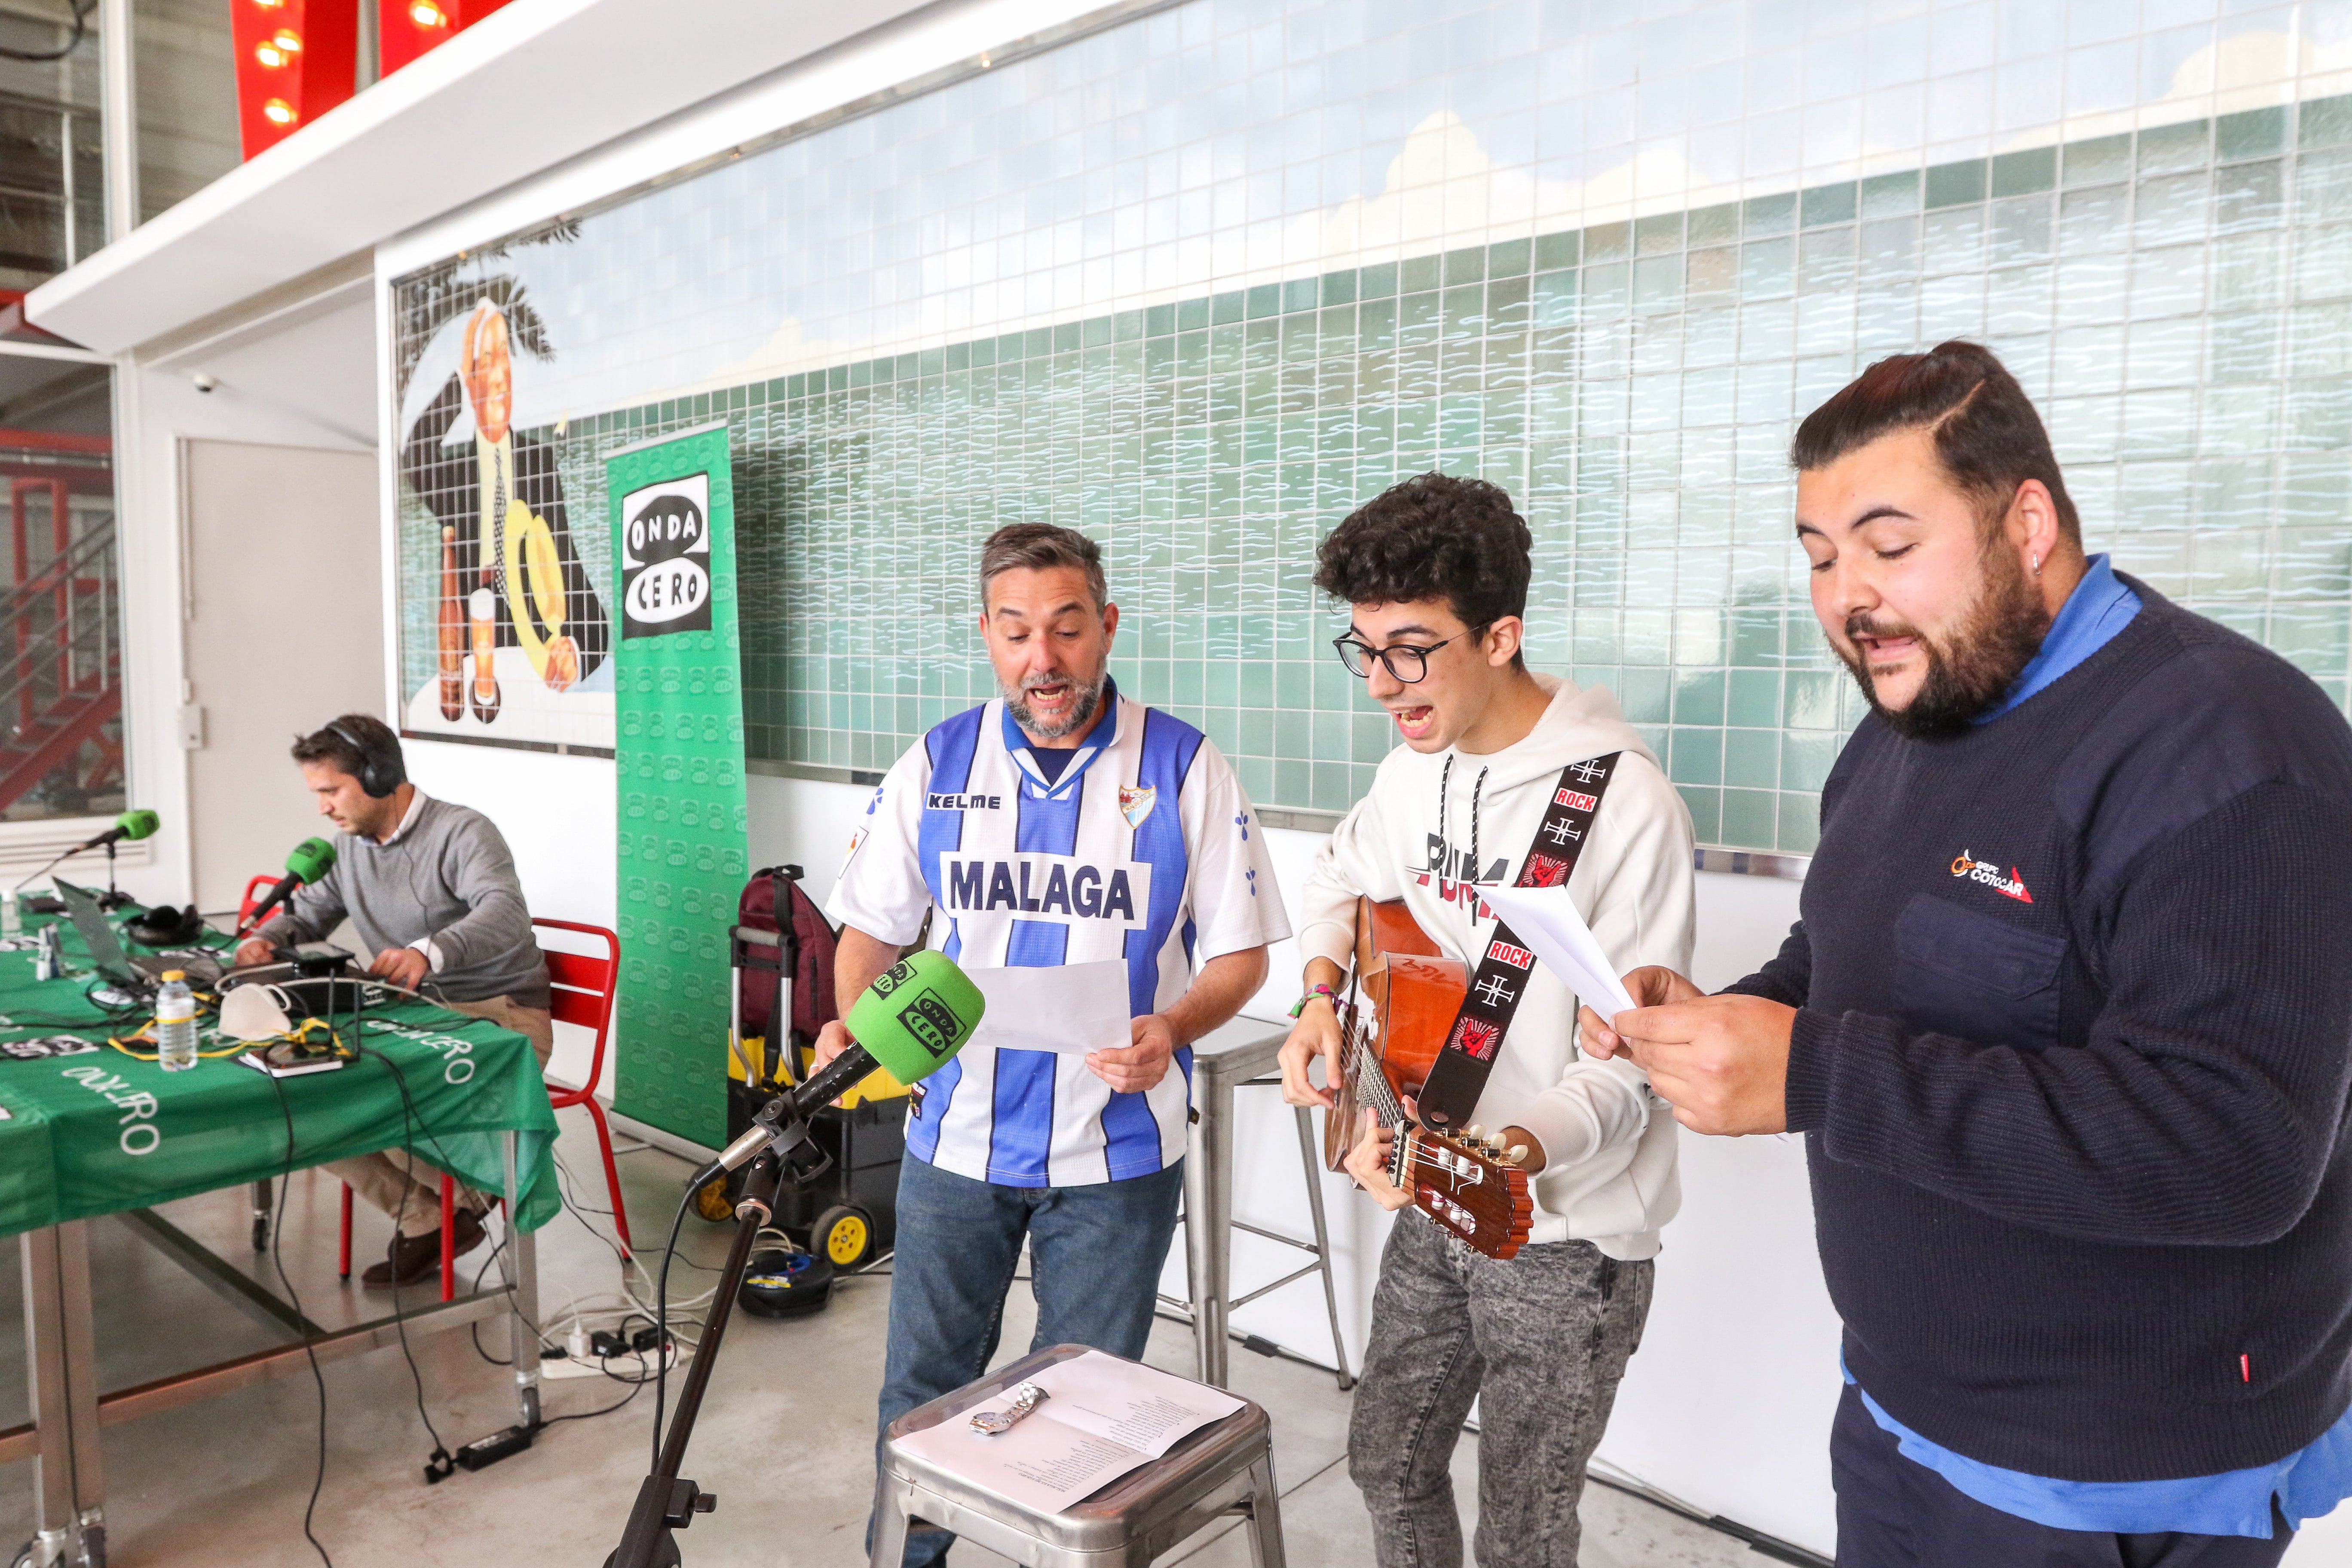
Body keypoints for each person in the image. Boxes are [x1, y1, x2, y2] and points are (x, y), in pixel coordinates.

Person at [1583, 341, 2352, 1566]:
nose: (1848, 598)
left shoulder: (2231, 746)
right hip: (1899, 1407)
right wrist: (1727, 1019)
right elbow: (1842, 957)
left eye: (1891, 547)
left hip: (2107, 1471)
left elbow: (2239, 1149)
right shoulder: (1916, 714)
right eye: (1821, 559)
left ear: (2027, 521)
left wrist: (1814, 1074)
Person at [820, 522, 1289, 1568]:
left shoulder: (1182, 765)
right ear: (986, 634)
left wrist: (1172, 1027)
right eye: (1020, 631)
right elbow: (869, 935)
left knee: (1081, 1423)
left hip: (1118, 1157)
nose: (1046, 659)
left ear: (1107, 628)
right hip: (955, 1144)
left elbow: (1242, 957)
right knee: (923, 1400)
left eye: (1069, 630)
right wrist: (866, 1029)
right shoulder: (937, 759)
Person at [1276, 472, 1697, 1568]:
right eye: (1363, 649)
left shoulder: (1621, 805)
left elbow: (1634, 1069)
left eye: (1410, 649)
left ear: (1500, 635)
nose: (1380, 683)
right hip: (1435, 1196)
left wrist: (1511, 1155)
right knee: (1389, 1465)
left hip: (1569, 1240)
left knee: (1523, 1532)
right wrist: (1320, 999)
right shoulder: (1413, 772)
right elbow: (1334, 873)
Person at [235, 715, 552, 1288]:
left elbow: (504, 911)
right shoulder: (350, 848)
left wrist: (430, 951)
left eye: (331, 791)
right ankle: (431, 1217)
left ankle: (474, 1192)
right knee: (305, 1098)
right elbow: (308, 914)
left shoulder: (462, 831)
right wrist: (266, 938)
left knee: (374, 1100)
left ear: (380, 776)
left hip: (498, 1014)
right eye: (318, 794)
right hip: (413, 1017)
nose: (323, 808)